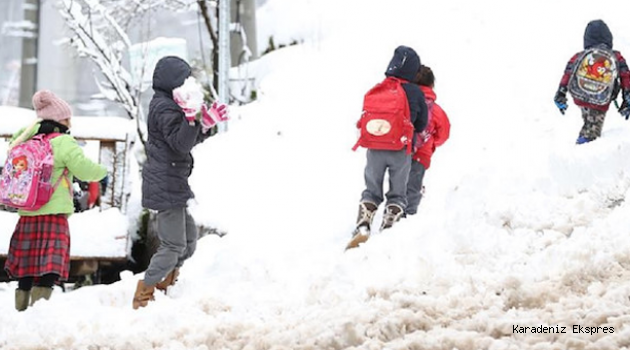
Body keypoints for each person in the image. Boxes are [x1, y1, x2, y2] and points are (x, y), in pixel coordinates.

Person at [132, 56, 228, 309]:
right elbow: (181, 143)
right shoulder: (163, 108)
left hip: (173, 183)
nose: (189, 83)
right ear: (173, 81)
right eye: (184, 78)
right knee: (174, 244)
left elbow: (182, 143)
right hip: (166, 185)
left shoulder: (170, 105)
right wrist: (190, 119)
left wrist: (203, 125)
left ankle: (167, 283)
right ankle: (144, 293)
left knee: (188, 241)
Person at [4, 90, 108, 311]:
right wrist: (102, 172)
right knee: (49, 266)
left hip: (28, 211)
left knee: (27, 265)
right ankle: (38, 312)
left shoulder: (25, 138)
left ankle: (21, 310)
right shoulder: (63, 142)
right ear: (61, 118)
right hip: (53, 214)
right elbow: (84, 170)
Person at [350, 45, 428, 247]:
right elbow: (421, 124)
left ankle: (364, 223)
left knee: (372, 188)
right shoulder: (415, 91)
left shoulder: (379, 87)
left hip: (374, 147)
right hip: (400, 150)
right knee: (397, 192)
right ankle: (390, 226)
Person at [554, 19, 630, 144]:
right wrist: (627, 95)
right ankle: (584, 149)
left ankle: (586, 143)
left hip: (580, 96)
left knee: (589, 119)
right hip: (601, 98)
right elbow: (625, 76)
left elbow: (568, 73)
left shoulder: (579, 56)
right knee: (592, 127)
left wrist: (561, 92)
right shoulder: (616, 56)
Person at [405, 65, 450, 216]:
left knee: (398, 181)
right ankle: (408, 215)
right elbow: (443, 135)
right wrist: (431, 143)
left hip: (401, 148)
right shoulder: (436, 110)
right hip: (421, 153)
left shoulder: (405, 103)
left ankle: (393, 208)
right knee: (413, 184)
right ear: (432, 85)